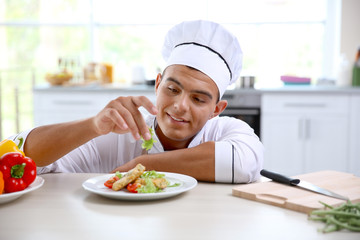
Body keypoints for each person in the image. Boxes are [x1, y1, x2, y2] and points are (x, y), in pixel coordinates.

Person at [12, 20, 263, 183]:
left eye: (198, 99)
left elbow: (244, 163)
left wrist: (142, 164)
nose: (180, 105)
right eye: (173, 89)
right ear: (157, 84)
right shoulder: (119, 133)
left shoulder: (227, 130)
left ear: (216, 110)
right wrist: (92, 126)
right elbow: (18, 155)